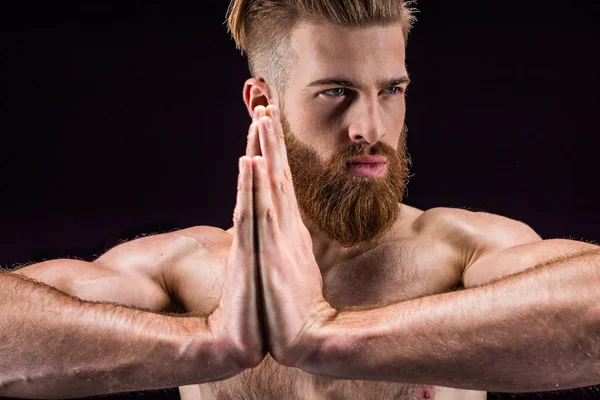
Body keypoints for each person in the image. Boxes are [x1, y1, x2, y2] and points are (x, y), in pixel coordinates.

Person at [1, 0, 599, 399]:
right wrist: (209, 341)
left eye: (392, 90)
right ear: (262, 101)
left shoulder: (461, 258)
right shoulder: (190, 275)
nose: (371, 125)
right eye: (335, 92)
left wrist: (326, 336)